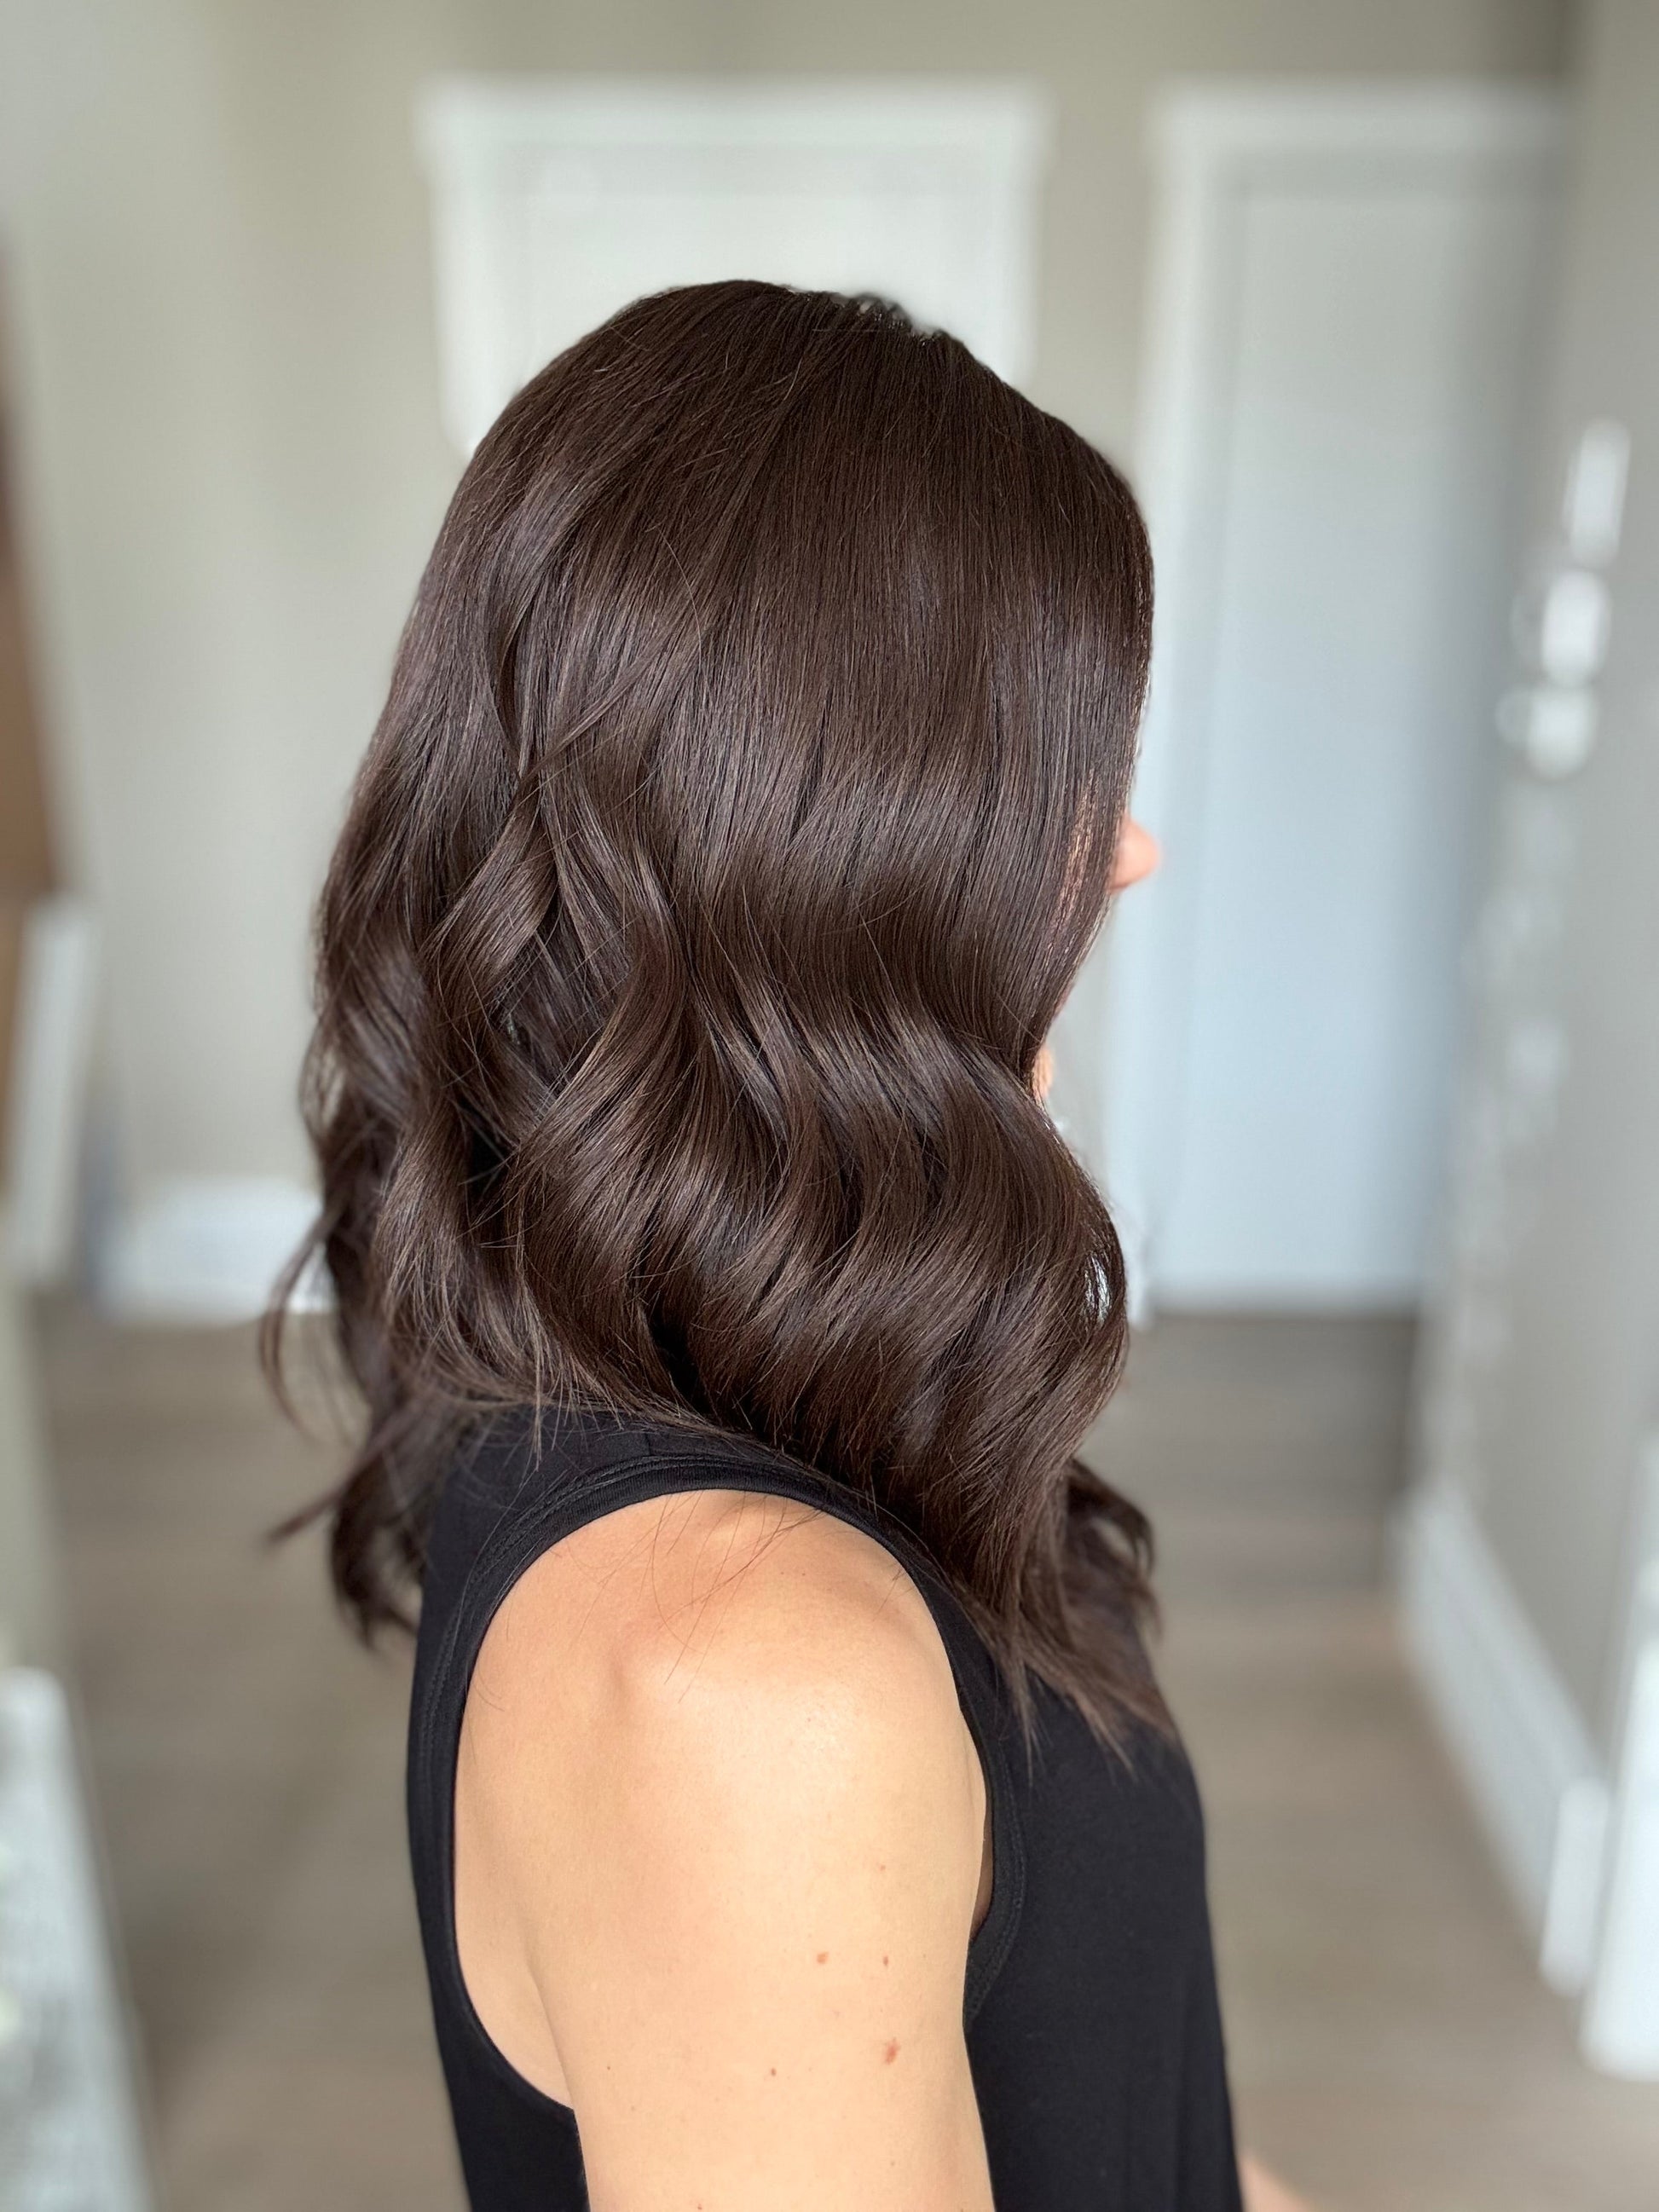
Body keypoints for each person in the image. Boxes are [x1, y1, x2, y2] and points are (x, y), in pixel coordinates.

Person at [274, 280, 1312, 2212]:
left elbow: (1131, 2083)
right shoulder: (748, 1680)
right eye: (1053, 775)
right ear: (842, 845)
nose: (1121, 852)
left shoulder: (715, 1354)